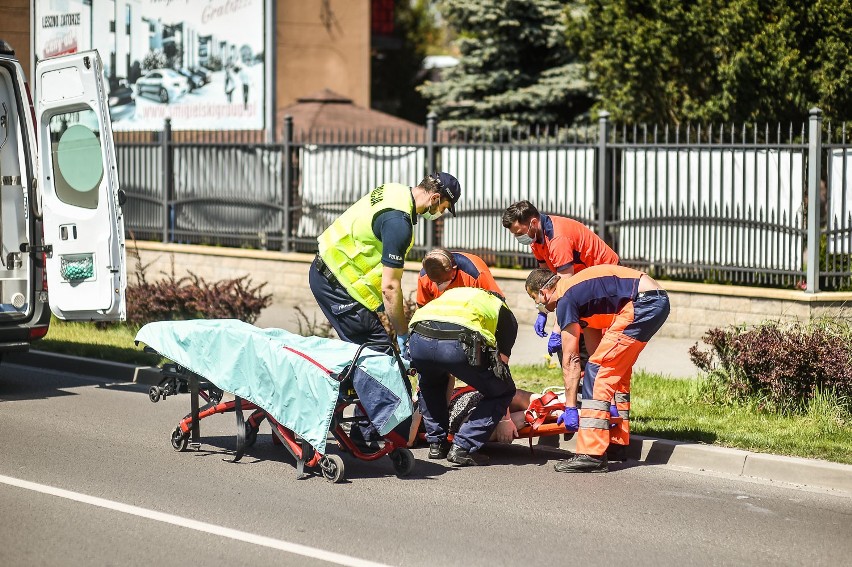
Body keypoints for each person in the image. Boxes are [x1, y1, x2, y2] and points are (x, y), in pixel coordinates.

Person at [310, 172, 461, 445]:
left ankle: (348, 423)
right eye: (443, 208)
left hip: (329, 272)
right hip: (338, 285)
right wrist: (402, 335)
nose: (439, 214)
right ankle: (368, 437)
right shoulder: (399, 223)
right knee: (380, 361)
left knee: (366, 356)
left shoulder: (394, 191)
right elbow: (391, 288)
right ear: (436, 197)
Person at [525, 265, 670, 473]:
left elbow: (571, 359)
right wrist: (604, 402)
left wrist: (571, 407)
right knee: (612, 371)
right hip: (651, 300)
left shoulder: (565, 298)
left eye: (534, 299)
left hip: (643, 302)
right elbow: (595, 350)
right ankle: (616, 442)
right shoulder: (579, 296)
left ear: (543, 292)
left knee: (598, 371)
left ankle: (591, 454)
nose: (538, 305)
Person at [408, 286, 518, 466]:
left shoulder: (457, 294)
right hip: (456, 344)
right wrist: (505, 418)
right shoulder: (503, 311)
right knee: (503, 389)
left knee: (431, 384)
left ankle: (436, 444)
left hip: (419, 338)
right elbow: (501, 366)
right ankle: (462, 446)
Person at [502, 200, 620, 362]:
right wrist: (542, 309)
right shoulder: (536, 239)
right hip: (584, 281)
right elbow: (548, 281)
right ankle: (587, 381)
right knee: (580, 337)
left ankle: (600, 381)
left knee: (598, 340)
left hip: (607, 280)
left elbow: (565, 288)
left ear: (533, 223)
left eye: (518, 233)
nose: (517, 237)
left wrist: (556, 331)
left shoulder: (558, 239)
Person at [416, 248, 504, 307]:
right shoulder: (424, 275)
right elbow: (421, 307)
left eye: (443, 281)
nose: (439, 287)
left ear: (453, 271)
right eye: (435, 282)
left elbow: (497, 303)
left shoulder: (476, 273)